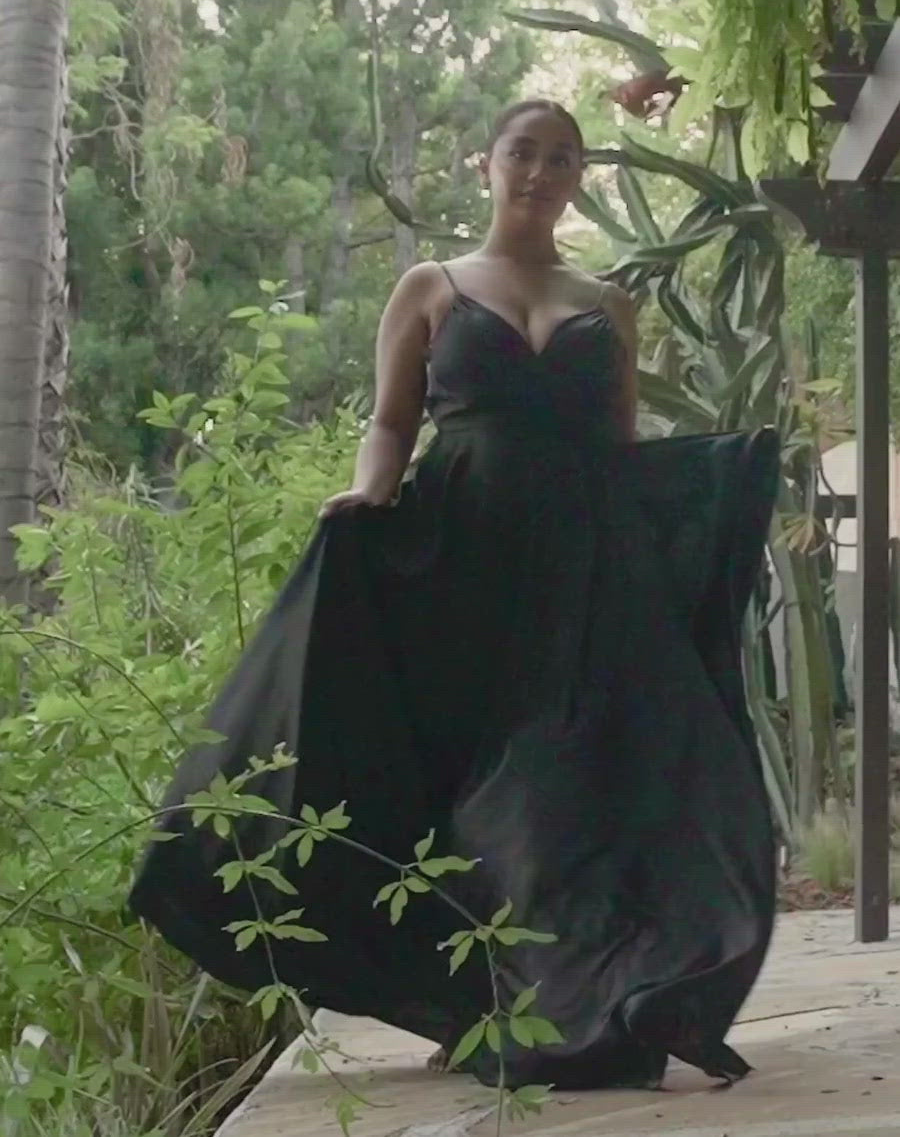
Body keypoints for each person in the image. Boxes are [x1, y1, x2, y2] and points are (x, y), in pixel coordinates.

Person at [130, 100, 778, 1092]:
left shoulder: (608, 303)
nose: (540, 172)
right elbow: (391, 422)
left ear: (578, 177)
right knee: (464, 781)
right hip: (461, 557)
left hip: (586, 572)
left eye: (562, 158)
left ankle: (590, 1003)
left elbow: (621, 446)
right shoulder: (431, 286)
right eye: (524, 152)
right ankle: (473, 999)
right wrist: (369, 495)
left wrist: (704, 500)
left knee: (568, 780)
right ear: (488, 163)